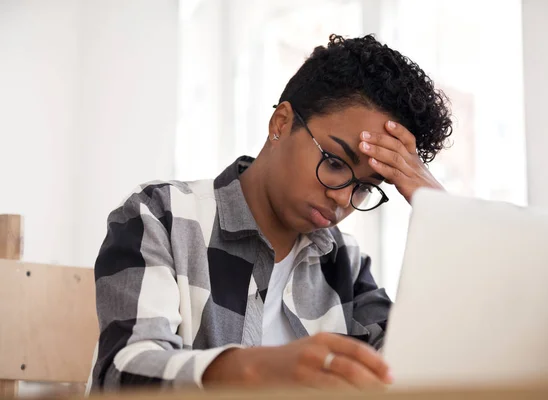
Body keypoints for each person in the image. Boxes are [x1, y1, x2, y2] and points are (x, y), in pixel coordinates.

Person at [91, 34, 452, 391]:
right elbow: (124, 375)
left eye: (365, 187)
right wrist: (259, 369)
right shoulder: (161, 218)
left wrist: (440, 211)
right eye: (335, 162)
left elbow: (416, 374)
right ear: (281, 123)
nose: (344, 199)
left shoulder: (345, 263)